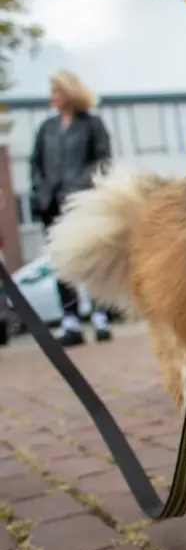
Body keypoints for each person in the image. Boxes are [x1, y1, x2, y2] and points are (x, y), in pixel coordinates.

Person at [30, 70, 113, 347]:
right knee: (60, 263)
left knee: (90, 258)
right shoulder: (47, 128)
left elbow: (102, 161)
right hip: (51, 206)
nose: (52, 96)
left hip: (80, 202)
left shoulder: (92, 125)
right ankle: (71, 321)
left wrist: (76, 185)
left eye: (57, 90)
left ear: (69, 92)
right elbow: (35, 164)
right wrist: (40, 191)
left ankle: (100, 316)